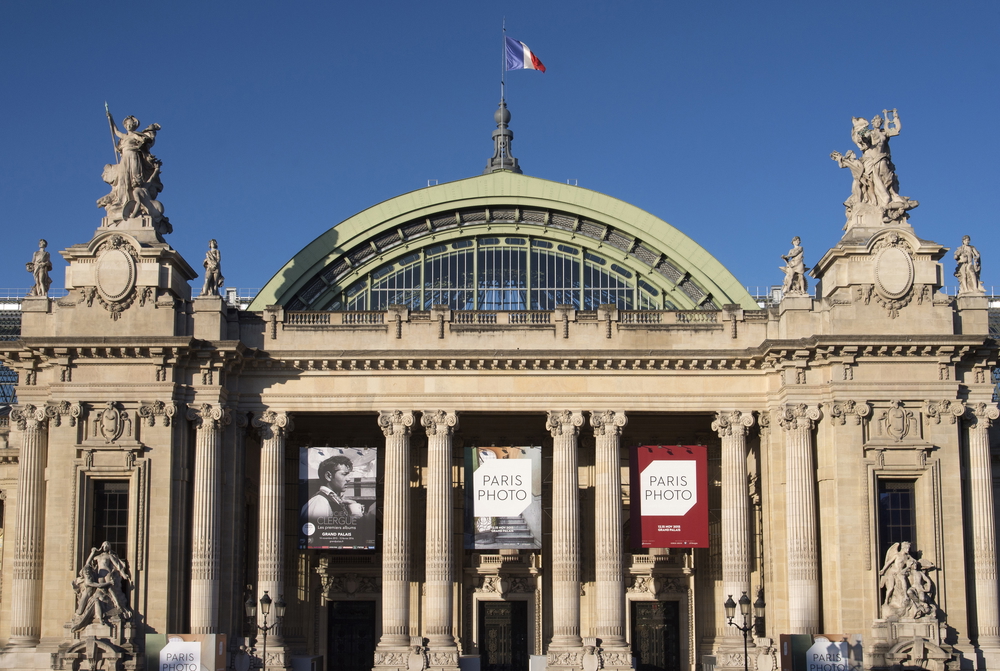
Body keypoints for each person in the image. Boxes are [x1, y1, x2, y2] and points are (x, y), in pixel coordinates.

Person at [302, 455, 366, 526]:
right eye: (344, 474)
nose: (348, 479)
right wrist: (355, 515)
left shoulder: (330, 500)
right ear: (328, 476)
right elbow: (317, 534)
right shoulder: (320, 502)